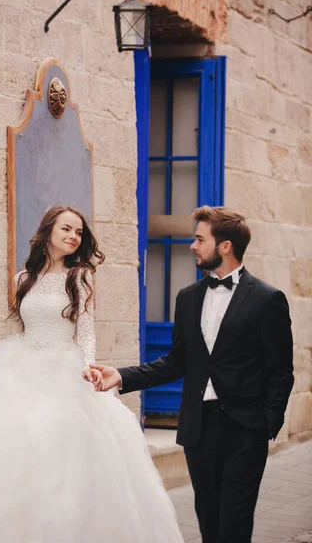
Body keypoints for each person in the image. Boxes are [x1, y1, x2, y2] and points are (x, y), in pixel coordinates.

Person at [0, 205, 183, 543]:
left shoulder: (80, 275)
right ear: (48, 232)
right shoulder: (23, 278)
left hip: (63, 368)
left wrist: (88, 366)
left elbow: (85, 331)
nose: (73, 237)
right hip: (20, 363)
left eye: (79, 232)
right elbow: (24, 325)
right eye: (66, 229)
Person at [92, 206, 294, 543]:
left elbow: (280, 371)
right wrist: (122, 376)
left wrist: (266, 424)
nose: (192, 245)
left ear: (225, 246)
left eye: (200, 239)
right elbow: (175, 362)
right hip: (199, 430)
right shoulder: (187, 298)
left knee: (234, 526)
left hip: (245, 431)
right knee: (209, 526)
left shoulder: (267, 299)